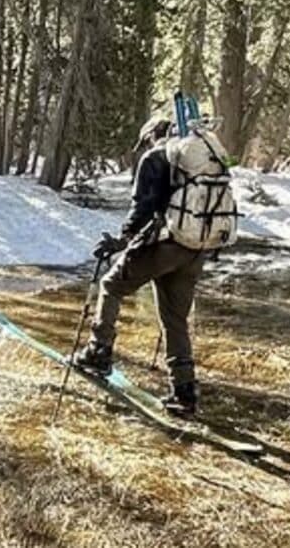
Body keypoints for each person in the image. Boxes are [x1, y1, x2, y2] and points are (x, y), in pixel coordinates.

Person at [71, 115, 207, 417]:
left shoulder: (155, 157)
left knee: (111, 285)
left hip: (165, 245)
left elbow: (143, 208)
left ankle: (98, 351)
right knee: (175, 319)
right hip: (197, 249)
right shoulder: (199, 159)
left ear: (149, 137)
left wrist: (122, 241)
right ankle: (184, 392)